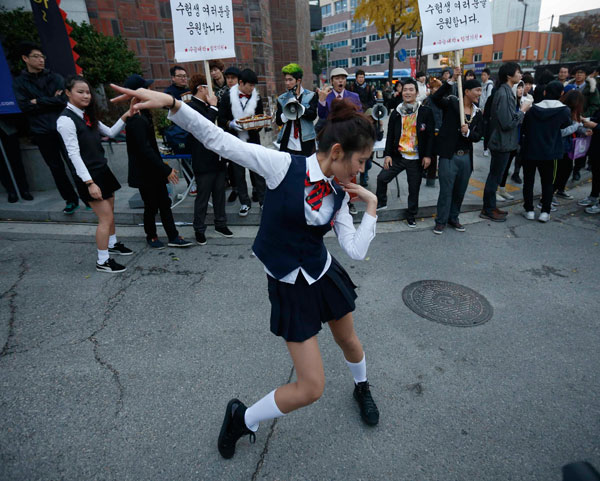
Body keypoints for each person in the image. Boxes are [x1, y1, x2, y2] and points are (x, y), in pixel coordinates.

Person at [110, 84, 380, 460]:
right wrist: (174, 104)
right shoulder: (283, 165)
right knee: (311, 387)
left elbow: (355, 249)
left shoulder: (340, 192)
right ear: (337, 152)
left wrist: (370, 204)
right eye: (361, 161)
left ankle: (362, 386)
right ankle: (243, 418)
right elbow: (220, 141)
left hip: (322, 273)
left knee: (349, 341)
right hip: (290, 285)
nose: (362, 169)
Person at [56, 75, 133, 272]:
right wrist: (89, 183)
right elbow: (73, 154)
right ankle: (102, 261)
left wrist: (128, 114)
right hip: (88, 176)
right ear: (67, 93)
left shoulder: (86, 115)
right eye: (80, 92)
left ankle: (112, 244)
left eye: (88, 92)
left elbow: (111, 132)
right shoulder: (65, 120)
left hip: (102, 170)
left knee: (110, 214)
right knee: (105, 218)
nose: (86, 96)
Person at [124, 74, 192, 250]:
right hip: (145, 173)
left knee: (164, 204)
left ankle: (173, 236)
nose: (151, 92)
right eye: (146, 89)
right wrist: (165, 169)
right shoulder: (137, 119)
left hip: (153, 170)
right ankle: (152, 236)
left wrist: (162, 168)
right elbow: (144, 150)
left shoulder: (142, 114)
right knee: (152, 206)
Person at [13, 42, 80, 214]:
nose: (41, 60)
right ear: (25, 59)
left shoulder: (55, 78)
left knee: (74, 163)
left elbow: (63, 100)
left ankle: (87, 197)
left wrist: (37, 101)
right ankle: (70, 200)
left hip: (62, 127)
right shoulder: (20, 82)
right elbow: (24, 106)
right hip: (41, 131)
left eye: (42, 57)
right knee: (55, 168)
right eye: (36, 56)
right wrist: (50, 100)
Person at [375, 78, 434, 227]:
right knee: (382, 178)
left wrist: (427, 156)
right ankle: (381, 203)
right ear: (402, 92)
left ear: (416, 92)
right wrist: (388, 155)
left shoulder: (425, 112)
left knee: (413, 189)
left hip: (416, 159)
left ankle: (411, 215)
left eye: (411, 90)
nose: (407, 92)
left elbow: (430, 136)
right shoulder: (396, 112)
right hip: (398, 156)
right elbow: (390, 137)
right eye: (405, 90)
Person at [431, 74, 483, 234]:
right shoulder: (453, 103)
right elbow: (436, 98)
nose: (479, 93)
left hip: (466, 157)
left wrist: (468, 133)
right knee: (446, 190)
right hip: (449, 156)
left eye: (481, 90)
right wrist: (451, 80)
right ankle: (441, 221)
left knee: (460, 191)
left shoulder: (478, 113)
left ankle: (454, 218)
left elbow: (479, 135)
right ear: (466, 91)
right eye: (477, 90)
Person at [186, 73, 233, 245]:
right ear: (201, 88)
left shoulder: (210, 105)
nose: (211, 91)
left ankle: (221, 223)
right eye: (208, 87)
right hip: (203, 160)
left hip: (218, 157)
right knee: (203, 196)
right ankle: (199, 228)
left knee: (220, 193)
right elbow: (203, 128)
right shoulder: (191, 107)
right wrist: (213, 108)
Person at [481, 62, 531, 222]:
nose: (521, 74)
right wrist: (522, 110)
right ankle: (488, 209)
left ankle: (491, 206)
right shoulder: (503, 93)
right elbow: (507, 122)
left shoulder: (506, 91)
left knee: (496, 176)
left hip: (505, 142)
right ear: (509, 75)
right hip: (501, 142)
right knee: (494, 176)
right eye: (518, 72)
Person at [217, 68, 267, 216]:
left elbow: (260, 117)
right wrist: (230, 124)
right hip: (234, 140)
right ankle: (244, 202)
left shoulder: (256, 97)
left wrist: (255, 126)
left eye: (254, 86)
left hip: (252, 140)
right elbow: (221, 119)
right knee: (238, 173)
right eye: (249, 85)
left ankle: (263, 201)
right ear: (241, 83)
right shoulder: (227, 97)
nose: (252, 89)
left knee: (257, 171)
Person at [520, 81, 571, 223]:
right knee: (548, 182)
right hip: (550, 152)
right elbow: (565, 128)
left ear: (544, 92)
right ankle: (545, 211)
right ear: (561, 94)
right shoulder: (564, 111)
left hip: (530, 150)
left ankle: (529, 210)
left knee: (528, 181)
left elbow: (525, 128)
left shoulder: (533, 109)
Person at [317, 67, 363, 215]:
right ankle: (335, 202)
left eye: (343, 78)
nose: (340, 81)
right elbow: (322, 116)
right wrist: (322, 101)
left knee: (350, 172)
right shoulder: (327, 96)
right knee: (334, 171)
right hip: (332, 140)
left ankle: (349, 202)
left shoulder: (353, 96)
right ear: (332, 81)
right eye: (337, 78)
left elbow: (359, 116)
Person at [554, 89, 591, 200]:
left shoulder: (573, 112)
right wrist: (577, 125)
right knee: (557, 172)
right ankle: (549, 195)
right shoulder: (562, 111)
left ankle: (560, 190)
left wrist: (584, 131)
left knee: (567, 169)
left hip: (568, 147)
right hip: (559, 147)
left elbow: (575, 126)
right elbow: (561, 132)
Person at [275, 63, 318, 156]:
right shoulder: (282, 98)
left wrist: (300, 107)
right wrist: (287, 109)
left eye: (290, 80)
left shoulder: (311, 95)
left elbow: (312, 115)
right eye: (286, 80)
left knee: (306, 168)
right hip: (288, 142)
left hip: (306, 141)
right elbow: (278, 121)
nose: (287, 83)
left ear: (298, 81)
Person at [497, 80, 526, 201]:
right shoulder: (510, 102)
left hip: (516, 139)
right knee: (500, 167)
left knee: (507, 165)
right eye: (518, 87)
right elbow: (510, 122)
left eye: (522, 88)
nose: (520, 90)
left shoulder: (521, 102)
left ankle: (502, 189)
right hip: (505, 140)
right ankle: (495, 190)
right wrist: (522, 111)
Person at [0, 116, 33, 203]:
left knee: (16, 161)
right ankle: (11, 191)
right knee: (2, 165)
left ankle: (24, 190)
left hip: (8, 129)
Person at [422, 78, 443, 187]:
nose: (438, 89)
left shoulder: (443, 100)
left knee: (437, 155)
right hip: (431, 131)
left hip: (441, 130)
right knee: (432, 154)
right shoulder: (428, 100)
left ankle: (431, 176)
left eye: (439, 87)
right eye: (436, 87)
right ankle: (430, 178)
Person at [577, 111, 600, 213]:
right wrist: (588, 120)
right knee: (596, 172)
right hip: (596, 146)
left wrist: (596, 125)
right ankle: (593, 196)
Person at [480, 68, 494, 157]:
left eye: (484, 75)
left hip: (486, 111)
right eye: (482, 75)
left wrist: (485, 108)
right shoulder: (483, 84)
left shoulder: (489, 85)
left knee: (487, 130)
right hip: (481, 109)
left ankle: (486, 148)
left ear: (488, 76)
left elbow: (488, 98)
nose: (482, 76)